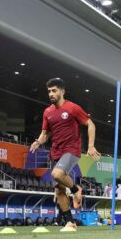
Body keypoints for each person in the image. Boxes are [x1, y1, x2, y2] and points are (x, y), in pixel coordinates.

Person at [30, 78, 101, 230]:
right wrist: (38, 142)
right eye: (49, 91)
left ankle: (76, 190)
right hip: (55, 152)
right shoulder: (47, 112)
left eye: (54, 90)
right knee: (59, 190)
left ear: (62, 91)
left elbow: (90, 124)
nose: (51, 93)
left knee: (56, 174)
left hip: (72, 150)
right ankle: (70, 222)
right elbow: (45, 133)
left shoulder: (72, 108)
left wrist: (91, 146)